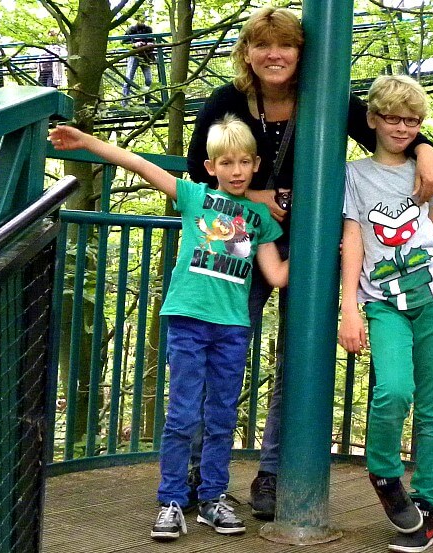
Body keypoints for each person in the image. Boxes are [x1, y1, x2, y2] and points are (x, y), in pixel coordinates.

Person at [185, 6, 433, 522]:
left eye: (285, 46)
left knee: (298, 358)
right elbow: (197, 170)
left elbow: (388, 132)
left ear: (302, 54)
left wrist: (428, 151)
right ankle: (199, 472)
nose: (273, 55)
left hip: (310, 239)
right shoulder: (227, 101)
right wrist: (258, 195)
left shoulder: (324, 97)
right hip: (238, 232)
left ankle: (273, 473)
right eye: (262, 46)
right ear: (248, 53)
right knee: (222, 347)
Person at [48, 116, 289, 541]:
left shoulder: (258, 218)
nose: (236, 171)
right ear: (212, 167)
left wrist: (328, 243)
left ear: (255, 165)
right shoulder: (195, 196)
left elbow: (277, 274)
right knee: (182, 414)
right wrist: (86, 141)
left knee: (221, 415)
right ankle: (173, 499)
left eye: (245, 163)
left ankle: (213, 497)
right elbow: (140, 165)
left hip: (232, 327)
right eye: (227, 163)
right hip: (188, 320)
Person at [337, 75, 433, 553]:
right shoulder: (354, 174)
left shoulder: (431, 173)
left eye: (413, 121)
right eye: (393, 118)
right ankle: (384, 472)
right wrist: (350, 306)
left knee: (432, 409)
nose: (403, 128)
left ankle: (428, 506)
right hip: (382, 302)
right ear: (372, 120)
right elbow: (352, 241)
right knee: (392, 389)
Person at [122, 21, 155, 102]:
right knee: (128, 79)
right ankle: (124, 102)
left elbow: (153, 40)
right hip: (134, 56)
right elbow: (124, 42)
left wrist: (150, 44)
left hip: (145, 56)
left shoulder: (148, 29)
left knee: (149, 80)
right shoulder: (131, 29)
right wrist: (135, 44)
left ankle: (147, 102)